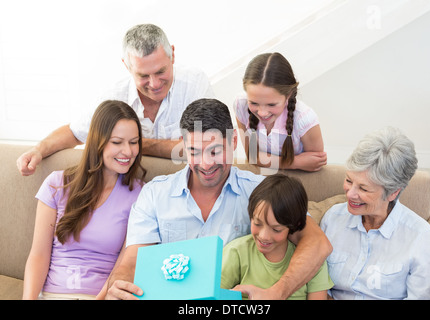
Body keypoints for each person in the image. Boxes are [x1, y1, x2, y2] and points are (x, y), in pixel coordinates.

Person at [105, 98, 332, 300]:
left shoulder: (262, 191)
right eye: (194, 151)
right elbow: (133, 261)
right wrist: (119, 289)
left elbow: (317, 242)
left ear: (233, 142)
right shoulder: (155, 194)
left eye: (215, 151)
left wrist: (277, 293)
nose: (205, 164)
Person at [16, 23, 214, 176]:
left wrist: (132, 143)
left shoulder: (195, 83)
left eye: (161, 71)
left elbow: (204, 147)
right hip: (129, 188)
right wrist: (38, 150)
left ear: (172, 55)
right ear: (127, 67)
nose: (154, 84)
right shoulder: (115, 96)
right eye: (143, 76)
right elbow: (75, 132)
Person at [22, 100, 147, 300]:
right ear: (98, 141)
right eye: (117, 142)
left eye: (134, 142)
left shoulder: (141, 194)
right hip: (53, 293)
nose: (128, 151)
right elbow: (38, 255)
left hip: (102, 296)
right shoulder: (56, 184)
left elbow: (125, 264)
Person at [320, 127, 430, 300]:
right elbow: (318, 283)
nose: (350, 193)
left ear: (393, 193)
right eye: (349, 180)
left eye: (363, 188)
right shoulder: (333, 219)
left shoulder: (420, 238)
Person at [221, 174, 333, 300]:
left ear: (294, 225)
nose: (264, 236)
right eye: (257, 223)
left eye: (276, 229)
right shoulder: (236, 252)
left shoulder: (313, 263)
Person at [234, 52, 327, 171]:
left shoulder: (305, 119)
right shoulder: (241, 104)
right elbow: (252, 156)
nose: (262, 113)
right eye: (254, 103)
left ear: (288, 95)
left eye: (271, 104)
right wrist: (296, 162)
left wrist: (267, 160)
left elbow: (315, 165)